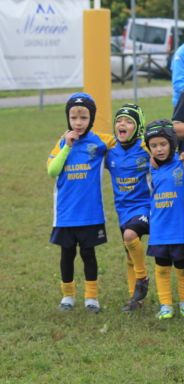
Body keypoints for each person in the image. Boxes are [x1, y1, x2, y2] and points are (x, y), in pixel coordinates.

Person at [47, 93, 115, 313]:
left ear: (91, 119)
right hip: (66, 214)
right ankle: (68, 297)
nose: (78, 122)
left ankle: (91, 298)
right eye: (74, 117)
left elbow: (126, 142)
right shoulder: (62, 143)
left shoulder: (100, 141)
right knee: (67, 254)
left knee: (88, 254)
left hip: (91, 214)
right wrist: (67, 146)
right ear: (68, 118)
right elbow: (52, 170)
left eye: (83, 117)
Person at [144, 120, 184, 320]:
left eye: (163, 144)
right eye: (153, 146)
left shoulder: (183, 164)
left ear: (172, 144)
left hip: (179, 228)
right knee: (162, 268)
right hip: (159, 229)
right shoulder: (150, 168)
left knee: (182, 268)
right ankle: (166, 305)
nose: (159, 149)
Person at [105, 104, 151, 312]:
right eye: (119, 121)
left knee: (131, 236)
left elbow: (167, 156)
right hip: (122, 209)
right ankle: (135, 300)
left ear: (139, 128)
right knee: (129, 253)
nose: (122, 124)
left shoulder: (146, 148)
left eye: (129, 121)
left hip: (146, 207)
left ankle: (143, 278)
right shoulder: (110, 151)